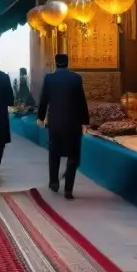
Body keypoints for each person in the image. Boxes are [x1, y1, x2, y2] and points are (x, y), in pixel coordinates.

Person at [37, 54, 90, 200]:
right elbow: (81, 102)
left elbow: (44, 100)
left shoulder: (49, 79)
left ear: (55, 63)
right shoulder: (76, 78)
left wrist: (40, 117)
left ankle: (54, 182)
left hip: (55, 122)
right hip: (73, 123)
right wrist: (85, 121)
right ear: (68, 63)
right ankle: (68, 190)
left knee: (54, 152)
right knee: (73, 155)